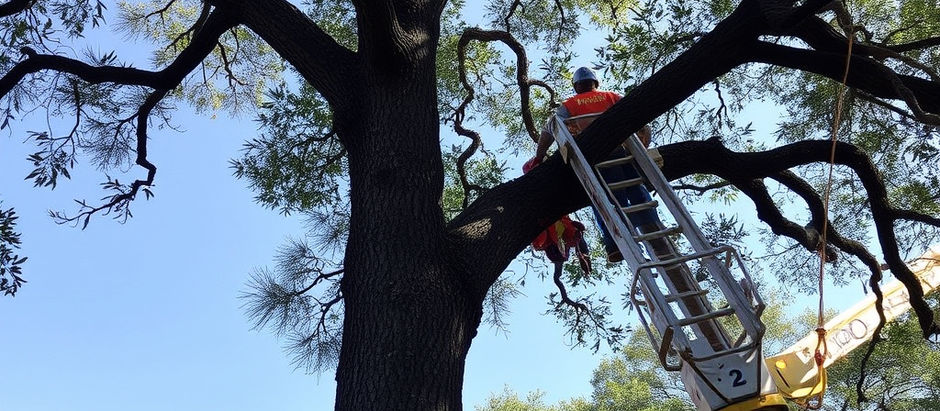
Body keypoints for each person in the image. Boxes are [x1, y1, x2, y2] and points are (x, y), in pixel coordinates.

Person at [534, 66, 657, 263]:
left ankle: (615, 244)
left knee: (604, 201)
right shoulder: (612, 97)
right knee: (637, 192)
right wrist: (642, 147)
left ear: (576, 86)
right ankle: (653, 229)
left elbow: (550, 129)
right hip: (623, 153)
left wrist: (539, 157)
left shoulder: (570, 105)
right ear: (595, 83)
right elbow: (642, 121)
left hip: (596, 158)